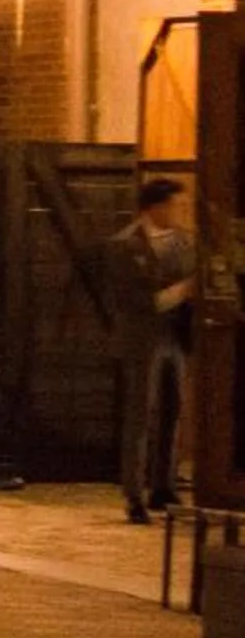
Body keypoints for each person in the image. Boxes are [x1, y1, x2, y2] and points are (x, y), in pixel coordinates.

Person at [112, 175, 197, 526]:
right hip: (142, 338)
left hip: (174, 339)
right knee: (140, 414)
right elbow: (138, 302)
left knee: (172, 411)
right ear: (155, 207)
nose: (179, 212)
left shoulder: (183, 242)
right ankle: (134, 492)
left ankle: (164, 484)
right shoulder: (126, 246)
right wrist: (185, 289)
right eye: (174, 205)